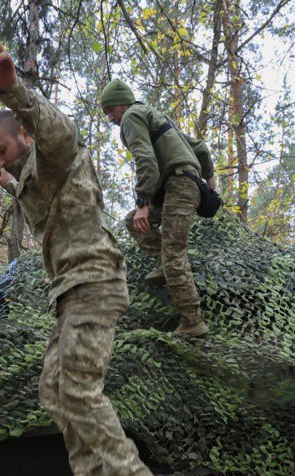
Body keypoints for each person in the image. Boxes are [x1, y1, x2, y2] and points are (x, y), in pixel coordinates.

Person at [0, 38, 166, 476]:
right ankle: (92, 474)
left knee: (78, 387)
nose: (0, 159)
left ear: (26, 137)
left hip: (95, 279)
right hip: (72, 290)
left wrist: (11, 90)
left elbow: (61, 133)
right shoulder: (33, 177)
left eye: (3, 149)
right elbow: (44, 209)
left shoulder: (52, 152)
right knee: (52, 388)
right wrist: (10, 183)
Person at [100, 79, 214, 337]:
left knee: (174, 251)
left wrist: (142, 202)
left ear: (122, 103)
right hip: (183, 185)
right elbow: (200, 148)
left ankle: (192, 320)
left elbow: (145, 159)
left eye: (110, 110)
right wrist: (209, 178)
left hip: (179, 185)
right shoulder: (157, 116)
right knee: (134, 222)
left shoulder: (131, 116)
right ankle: (166, 264)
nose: (110, 118)